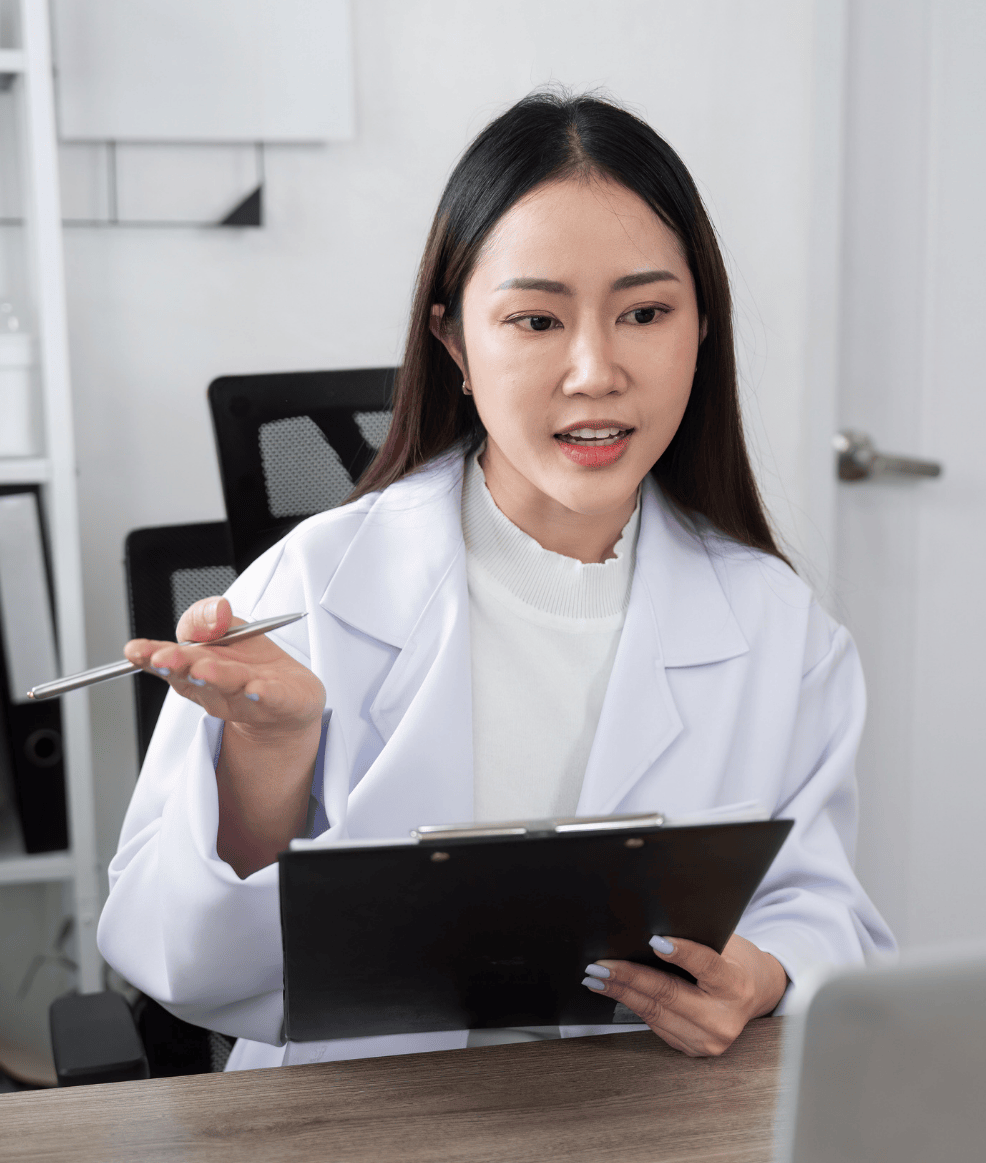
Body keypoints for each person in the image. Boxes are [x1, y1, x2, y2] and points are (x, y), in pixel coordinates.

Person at [98, 91, 895, 1071]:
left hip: (655, 1117)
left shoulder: (781, 629)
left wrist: (763, 973)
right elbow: (173, 957)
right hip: (362, 1127)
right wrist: (271, 750)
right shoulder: (312, 587)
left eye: (645, 311)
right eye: (535, 319)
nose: (596, 369)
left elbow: (822, 906)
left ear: (701, 330)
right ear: (453, 343)